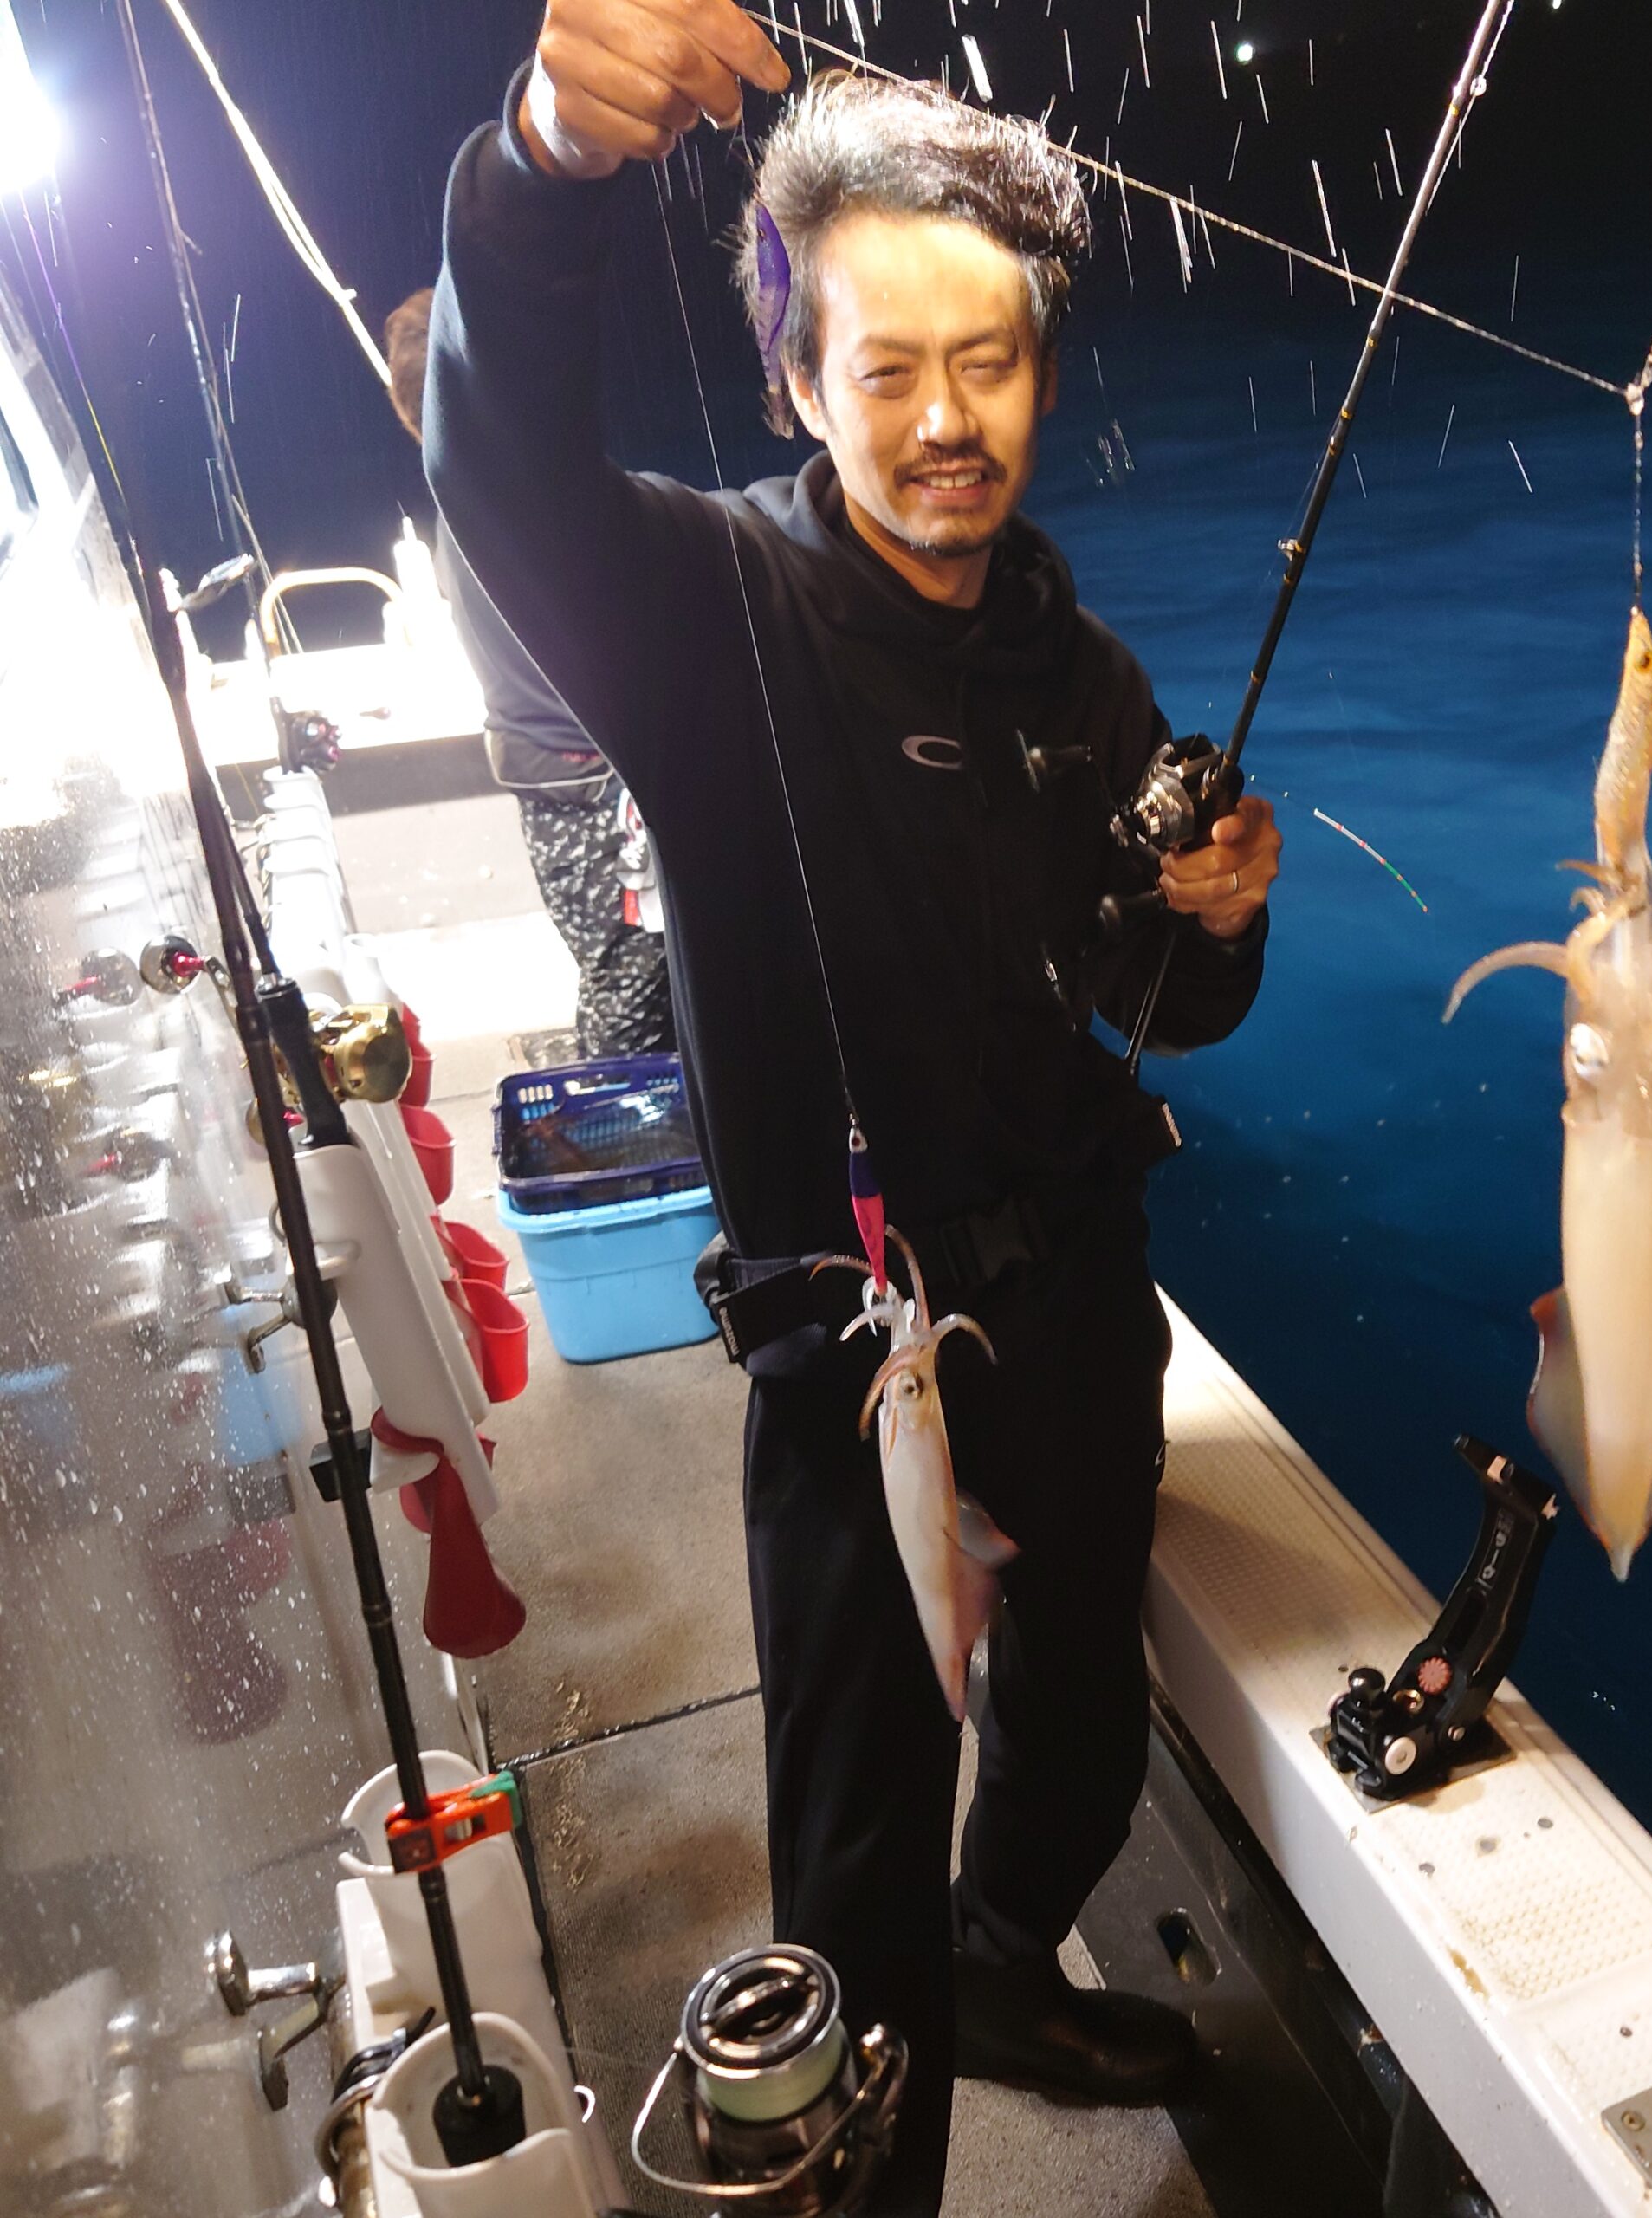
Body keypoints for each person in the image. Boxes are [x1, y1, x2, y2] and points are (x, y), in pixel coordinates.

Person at [427, 6, 1282, 2209]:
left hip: (1076, 1304)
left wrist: (1214, 915)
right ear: (797, 380)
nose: (942, 419)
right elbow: (501, 464)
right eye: (883, 367)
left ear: (1041, 371)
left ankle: (1009, 1955)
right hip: (852, 1349)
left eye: (984, 362)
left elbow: (1154, 1004)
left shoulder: (1080, 674)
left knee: (1078, 1719)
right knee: (853, 1846)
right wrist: (544, 158)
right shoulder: (700, 609)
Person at [384, 290, 674, 1060]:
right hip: (599, 796)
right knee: (633, 999)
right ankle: (620, 1133)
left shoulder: (461, 504)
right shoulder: (528, 493)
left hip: (552, 788)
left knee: (622, 983)